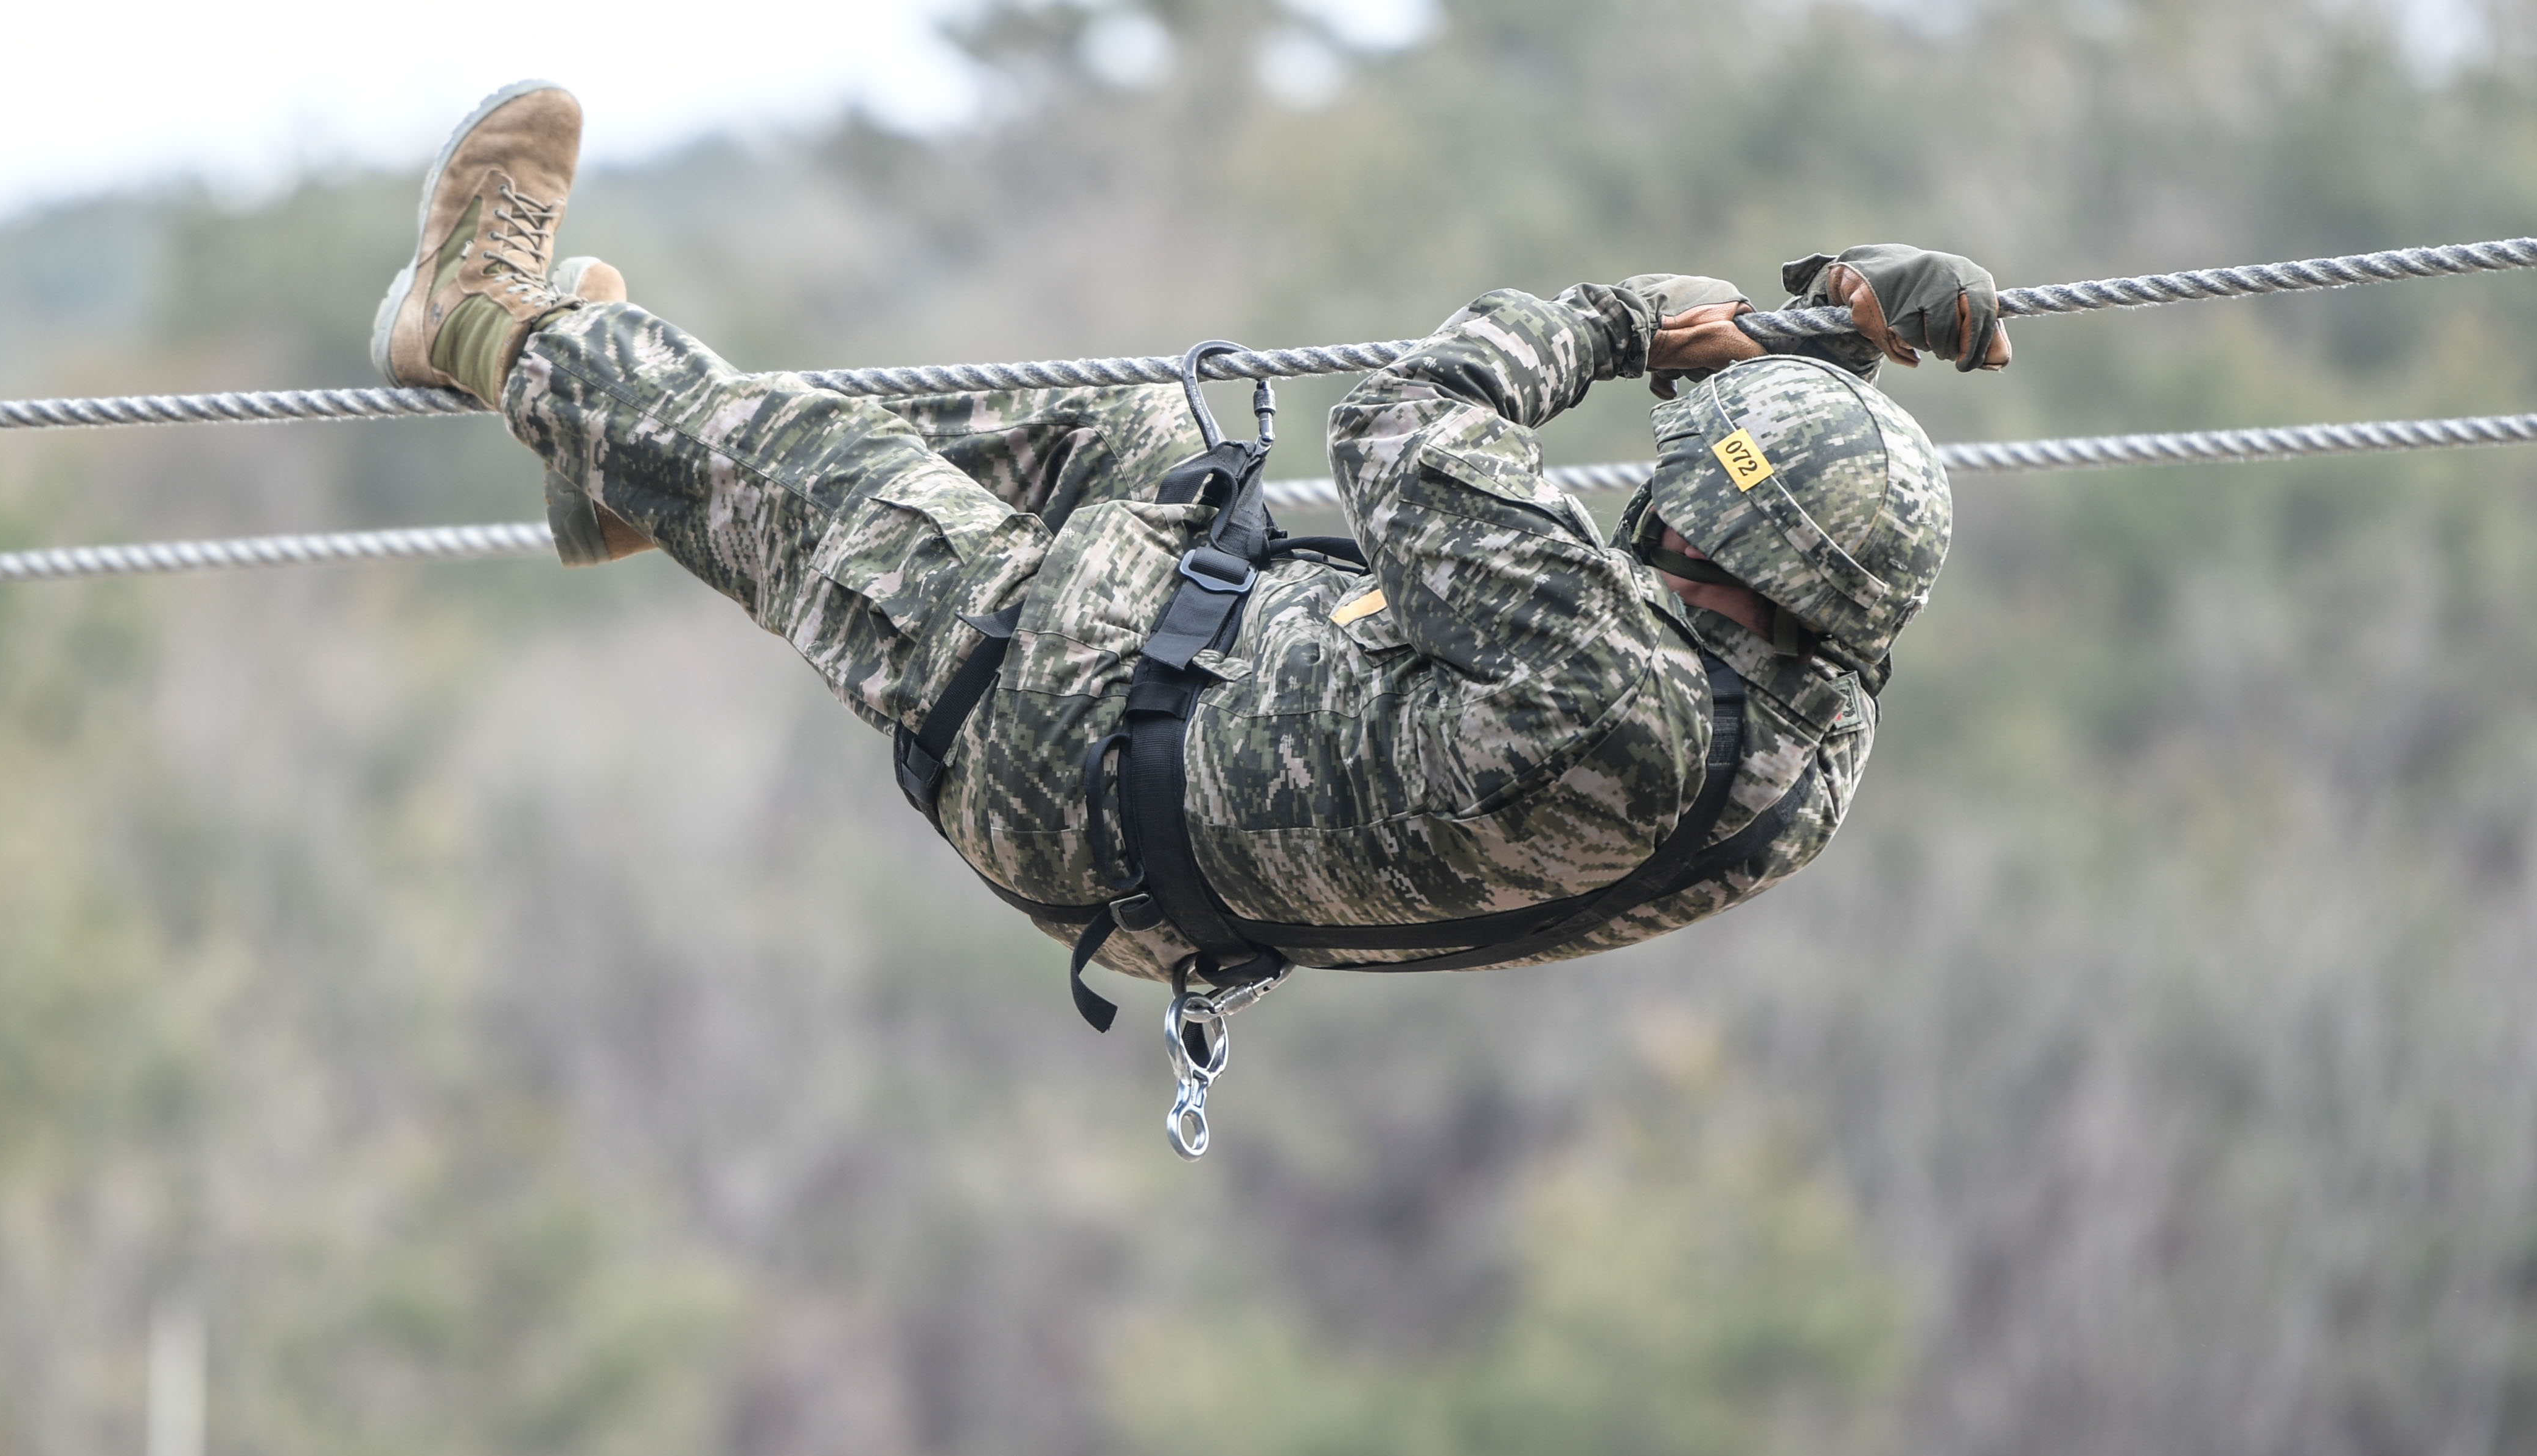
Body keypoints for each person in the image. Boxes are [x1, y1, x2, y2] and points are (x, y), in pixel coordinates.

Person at [370, 81, 2009, 1030]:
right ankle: (631, 461)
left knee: (828, 479)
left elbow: (1410, 418)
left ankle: (474, 317)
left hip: (1065, 745)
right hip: (1183, 789)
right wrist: (1840, 320)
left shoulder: (1597, 669)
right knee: (1107, 427)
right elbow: (1799, 528)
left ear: (1706, 539)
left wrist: (1624, 320)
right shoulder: (1804, 749)